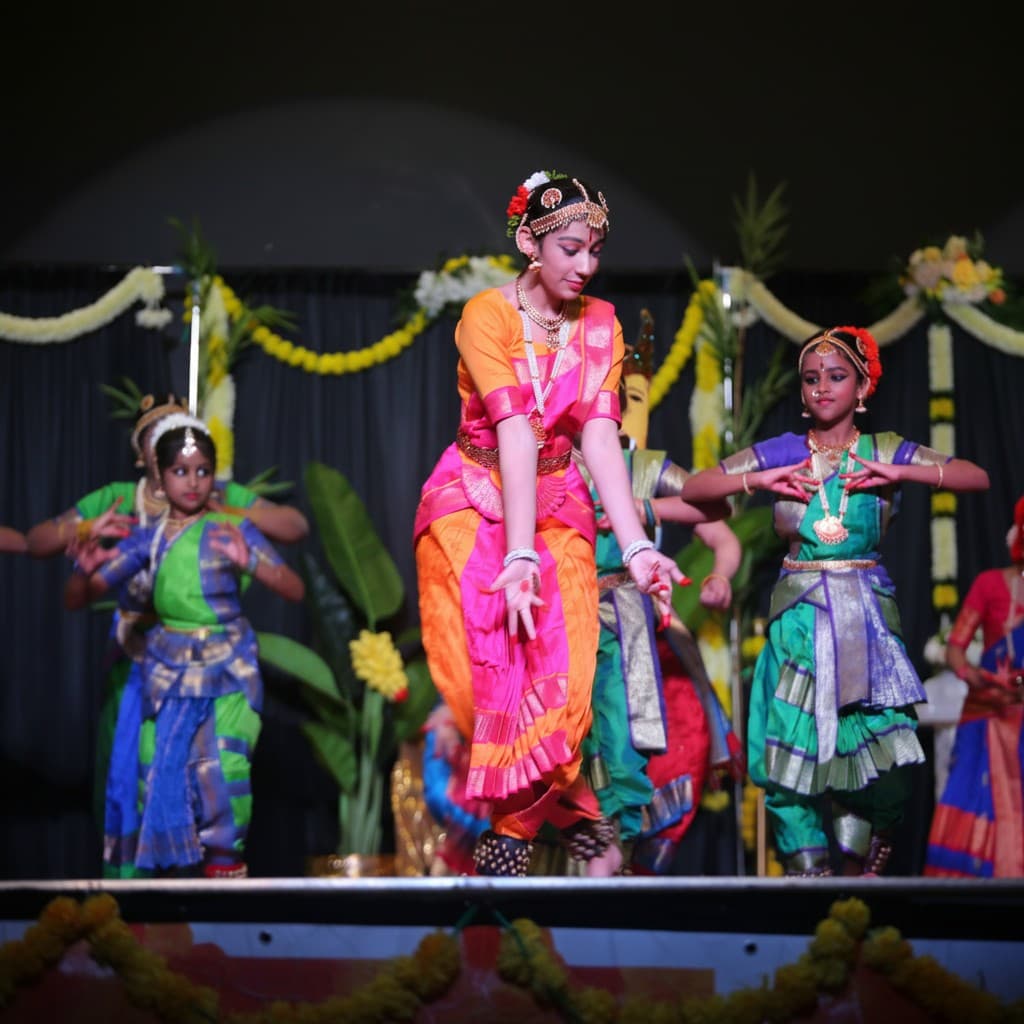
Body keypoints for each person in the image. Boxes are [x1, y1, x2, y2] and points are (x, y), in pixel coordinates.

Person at [413, 169, 686, 877]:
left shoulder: (601, 324)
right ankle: (581, 823)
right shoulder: (487, 315)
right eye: (570, 248)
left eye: (594, 251)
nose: (585, 265)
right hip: (475, 500)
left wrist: (635, 546)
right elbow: (510, 428)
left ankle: (518, 829)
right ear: (531, 241)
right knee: (482, 685)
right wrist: (517, 556)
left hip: (561, 502)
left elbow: (599, 440)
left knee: (564, 690)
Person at [680, 325, 990, 876]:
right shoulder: (780, 451)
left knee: (874, 749)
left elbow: (976, 477)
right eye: (811, 378)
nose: (822, 387)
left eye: (837, 376)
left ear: (863, 387)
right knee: (792, 748)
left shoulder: (884, 448)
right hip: (798, 616)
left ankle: (855, 873)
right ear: (801, 392)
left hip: (865, 620)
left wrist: (903, 472)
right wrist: (760, 481)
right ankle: (808, 875)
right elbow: (694, 488)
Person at [25, 392, 309, 876]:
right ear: (154, 467)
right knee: (150, 776)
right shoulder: (144, 533)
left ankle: (226, 877)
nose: (192, 481)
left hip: (227, 666)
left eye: (201, 471)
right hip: (160, 669)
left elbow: (294, 579)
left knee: (224, 766)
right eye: (179, 470)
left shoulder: (228, 524)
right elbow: (75, 590)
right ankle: (157, 896)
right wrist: (84, 568)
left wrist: (250, 558)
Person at [574, 312, 743, 874]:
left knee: (629, 742)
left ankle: (622, 868)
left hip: (629, 619)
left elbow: (715, 515)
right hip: (564, 619)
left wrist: (717, 571)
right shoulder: (547, 463)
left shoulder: (643, 468)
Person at [924, 495, 1024, 877]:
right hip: (988, 714)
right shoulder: (990, 585)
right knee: (974, 792)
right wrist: (975, 677)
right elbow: (955, 651)